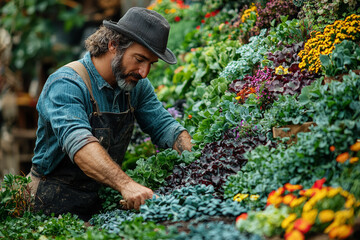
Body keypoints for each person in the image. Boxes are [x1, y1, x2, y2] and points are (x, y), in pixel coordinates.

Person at [28, 7, 192, 221]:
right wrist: (127, 185)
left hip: (97, 203)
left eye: (150, 64)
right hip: (49, 209)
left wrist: (196, 157)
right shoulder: (67, 84)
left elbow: (164, 126)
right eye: (139, 59)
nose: (144, 73)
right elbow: (80, 145)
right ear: (113, 45)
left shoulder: (136, 87)